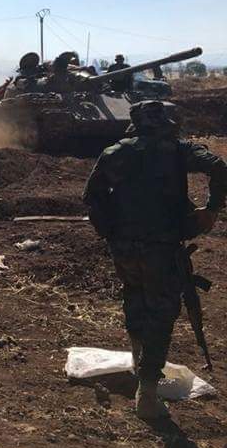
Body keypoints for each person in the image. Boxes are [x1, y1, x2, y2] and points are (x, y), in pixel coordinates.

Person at [83, 100, 225, 419]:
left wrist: (110, 232)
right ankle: (147, 392)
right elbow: (218, 166)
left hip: (124, 247)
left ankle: (137, 360)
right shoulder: (176, 149)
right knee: (162, 313)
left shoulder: (115, 152)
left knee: (134, 296)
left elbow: (92, 197)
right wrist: (212, 209)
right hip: (162, 247)